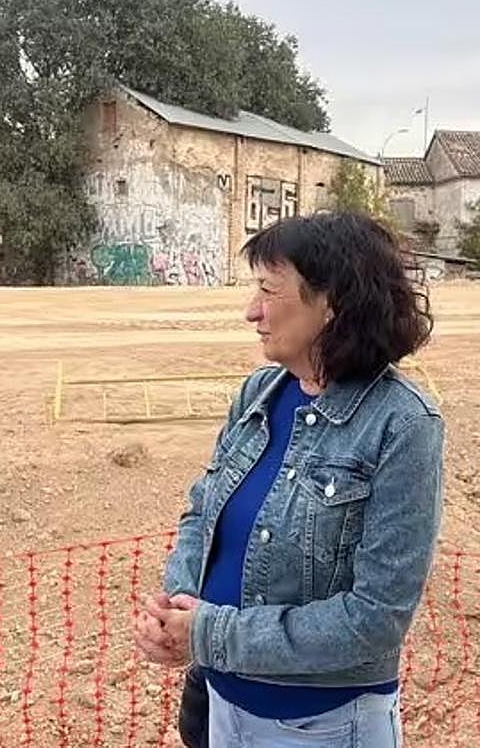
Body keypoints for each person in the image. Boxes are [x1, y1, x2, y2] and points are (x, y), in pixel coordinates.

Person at [134, 211, 444, 747]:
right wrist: (176, 607)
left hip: (321, 726)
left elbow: (375, 618)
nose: (251, 311)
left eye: (268, 290)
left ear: (332, 304)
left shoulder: (404, 424)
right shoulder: (259, 393)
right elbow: (203, 509)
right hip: (220, 706)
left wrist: (210, 633)